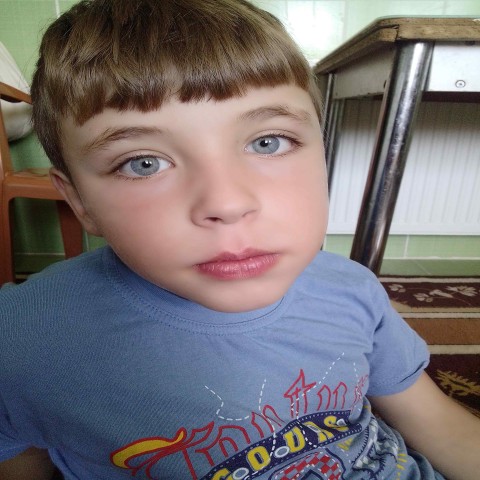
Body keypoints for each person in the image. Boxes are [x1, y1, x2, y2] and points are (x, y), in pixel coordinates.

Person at [0, 0, 479, 478]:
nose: (227, 203)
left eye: (268, 142)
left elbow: (439, 427)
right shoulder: (24, 335)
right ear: (79, 201)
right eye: (143, 163)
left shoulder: (351, 289)